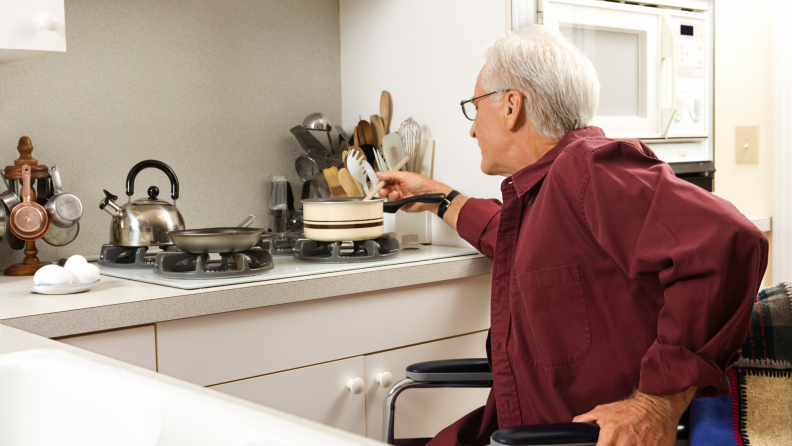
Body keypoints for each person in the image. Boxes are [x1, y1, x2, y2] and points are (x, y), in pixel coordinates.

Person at [376, 26, 768, 446]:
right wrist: (438, 196)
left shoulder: (587, 169)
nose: (472, 130)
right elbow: (510, 237)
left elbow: (730, 240)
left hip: (559, 438)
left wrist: (656, 403)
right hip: (512, 429)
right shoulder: (544, 193)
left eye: (475, 108)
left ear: (512, 106)